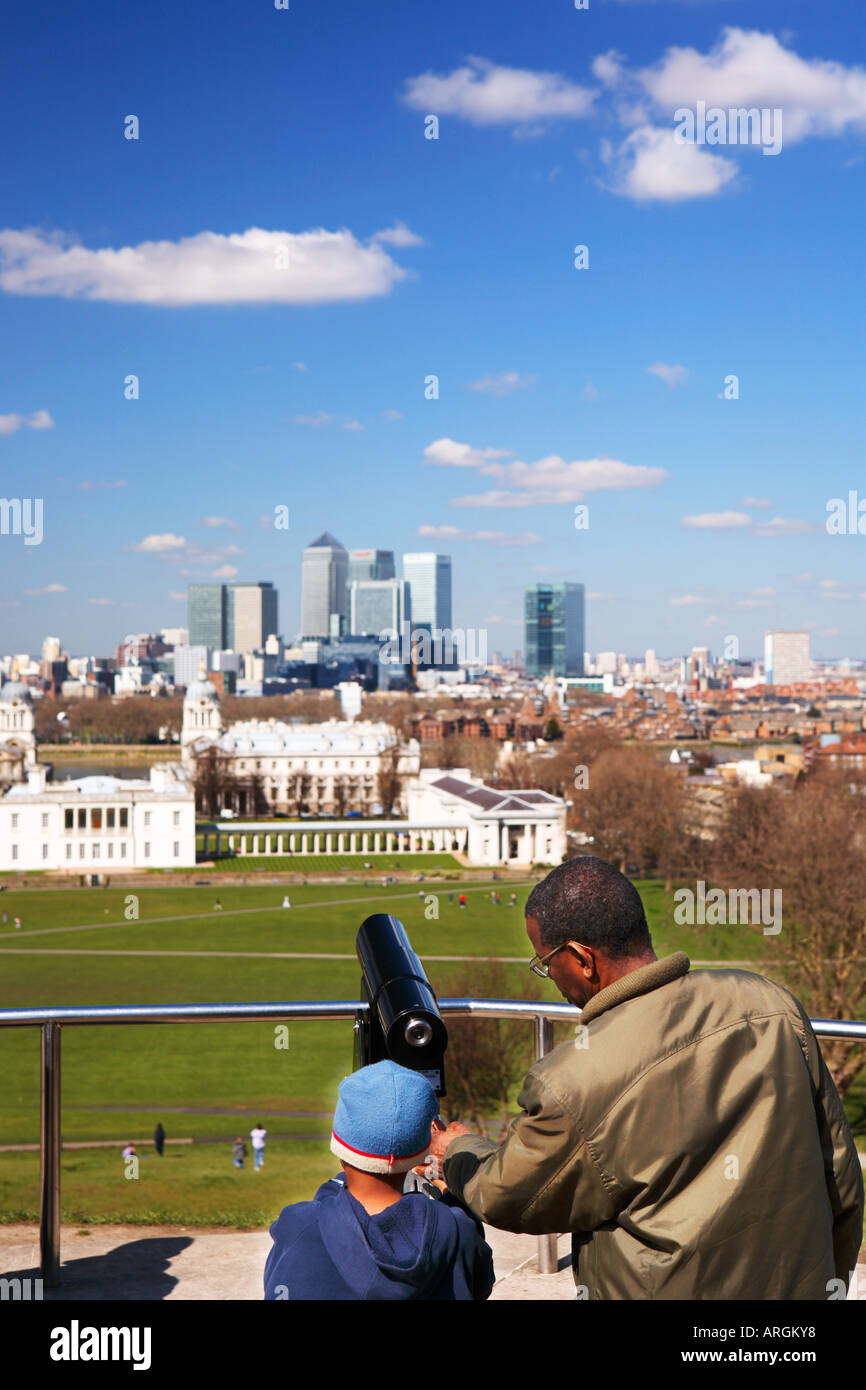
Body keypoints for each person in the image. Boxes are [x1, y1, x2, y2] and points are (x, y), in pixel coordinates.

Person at [435, 855, 865, 1301]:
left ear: (582, 958)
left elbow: (509, 1194)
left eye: (545, 962)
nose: (548, 978)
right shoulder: (772, 1004)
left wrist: (459, 1150)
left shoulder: (573, 1080)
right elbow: (842, 1180)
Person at [263, 1060, 494, 1301]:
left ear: (341, 1151)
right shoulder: (456, 1230)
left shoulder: (299, 1226)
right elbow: (479, 1283)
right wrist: (450, 1185)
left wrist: (336, 1185)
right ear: (424, 1152)